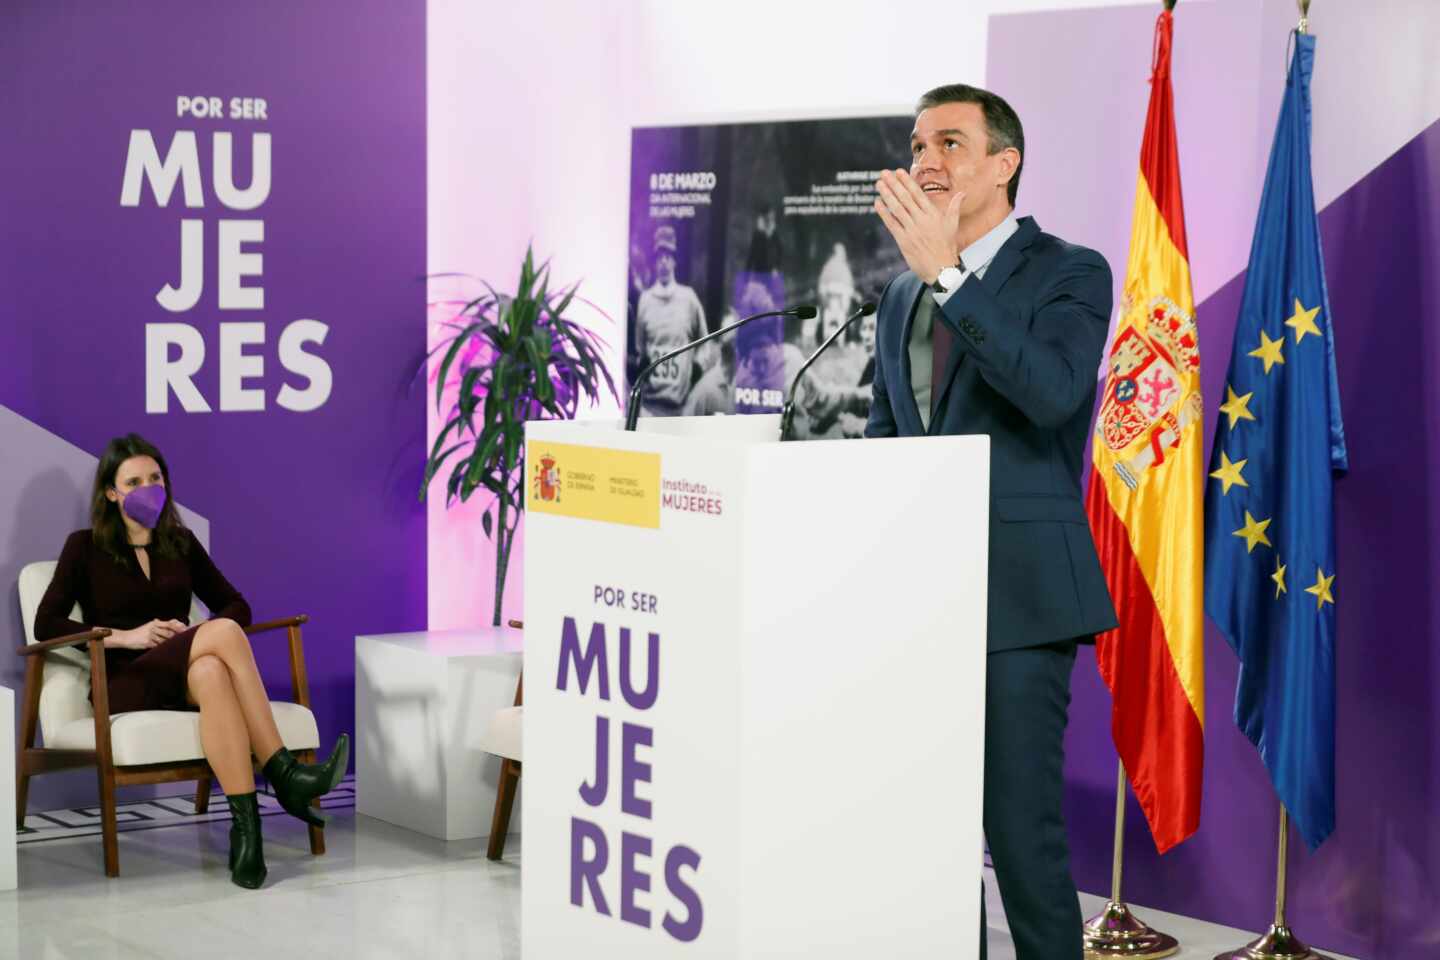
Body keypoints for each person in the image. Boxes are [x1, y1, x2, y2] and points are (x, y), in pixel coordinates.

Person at [867, 84, 1118, 960]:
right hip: (919, 605)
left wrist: (949, 274)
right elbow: (885, 444)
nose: (925, 162)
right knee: (930, 842)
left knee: (1018, 835)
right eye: (916, 145)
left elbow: (1051, 394)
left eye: (949, 144)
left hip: (1019, 600)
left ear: (1003, 164)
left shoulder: (1071, 270)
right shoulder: (898, 296)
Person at [34, 433, 350, 890]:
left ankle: (247, 832)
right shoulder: (84, 547)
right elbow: (46, 622)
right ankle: (281, 771)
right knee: (219, 635)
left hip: (181, 673)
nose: (149, 488)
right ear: (111, 492)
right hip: (126, 680)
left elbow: (236, 605)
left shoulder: (179, 543)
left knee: (210, 666)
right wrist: (124, 637)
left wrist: (193, 637)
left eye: (156, 477)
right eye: (135, 480)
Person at [635, 224, 709, 417]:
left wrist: (697, 368)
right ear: (654, 262)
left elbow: (705, 343)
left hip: (681, 407)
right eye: (659, 257)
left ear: (674, 261)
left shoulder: (689, 298)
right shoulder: (646, 300)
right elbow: (640, 348)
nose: (664, 263)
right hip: (649, 406)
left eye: (668, 257)